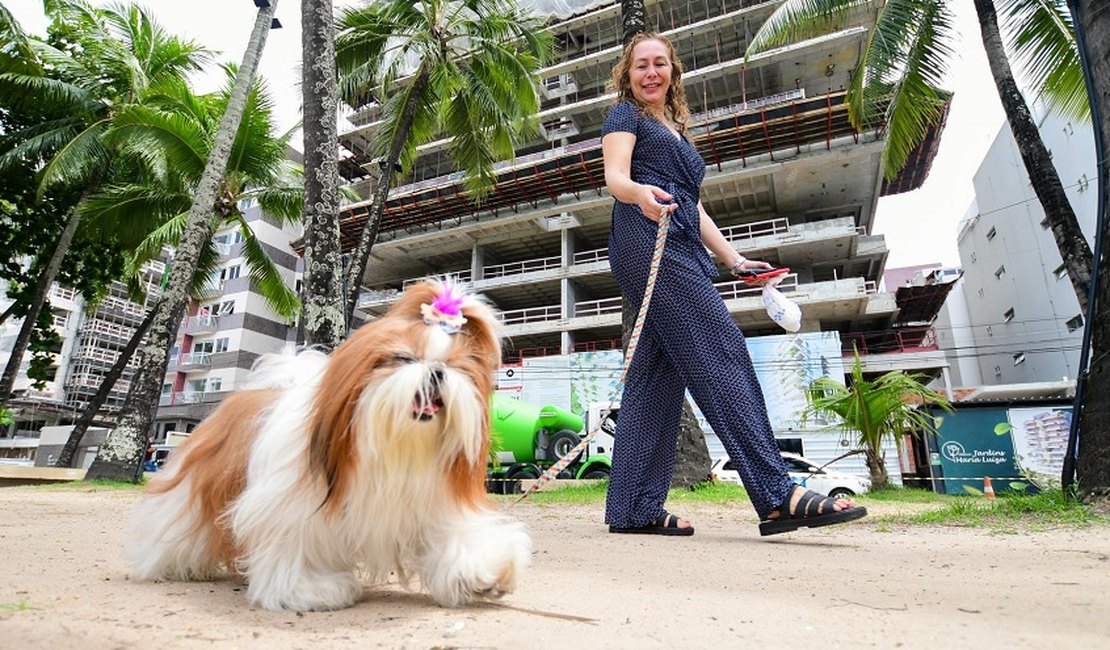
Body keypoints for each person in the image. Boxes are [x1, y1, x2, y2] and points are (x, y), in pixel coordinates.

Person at [601, 32, 867, 537]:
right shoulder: (625, 116)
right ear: (627, 74)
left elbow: (693, 203)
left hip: (680, 240)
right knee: (721, 350)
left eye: (660, 64)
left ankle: (633, 508)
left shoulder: (674, 127)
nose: (651, 73)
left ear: (673, 71)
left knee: (656, 379)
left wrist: (734, 258)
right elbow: (615, 177)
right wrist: (641, 195)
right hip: (645, 236)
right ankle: (775, 495)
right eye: (641, 66)